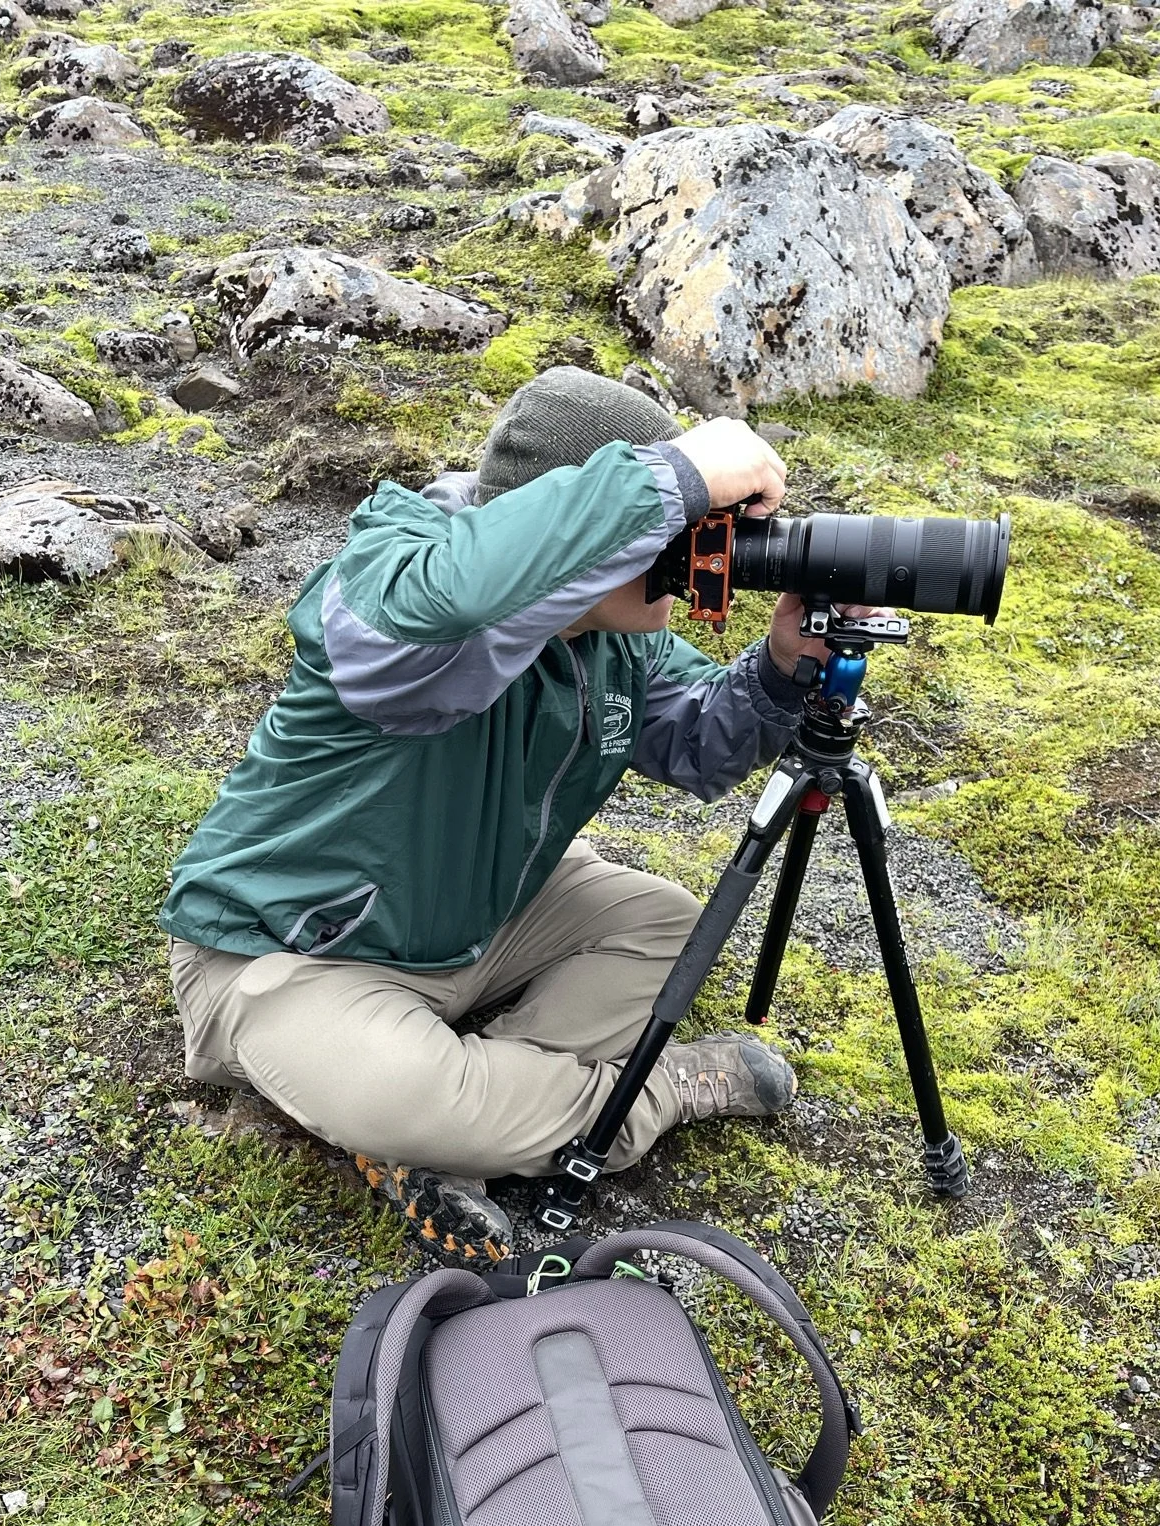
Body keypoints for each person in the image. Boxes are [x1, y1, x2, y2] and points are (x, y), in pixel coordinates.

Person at [160, 367, 852, 1263]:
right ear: (583, 533)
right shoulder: (392, 586)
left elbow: (699, 744)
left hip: (477, 914)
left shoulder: (613, 639)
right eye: (674, 531)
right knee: (396, 1091)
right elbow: (441, 607)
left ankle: (461, 1132)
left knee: (673, 926)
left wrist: (783, 666)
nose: (691, 552)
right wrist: (669, 479)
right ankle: (654, 1094)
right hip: (292, 951)